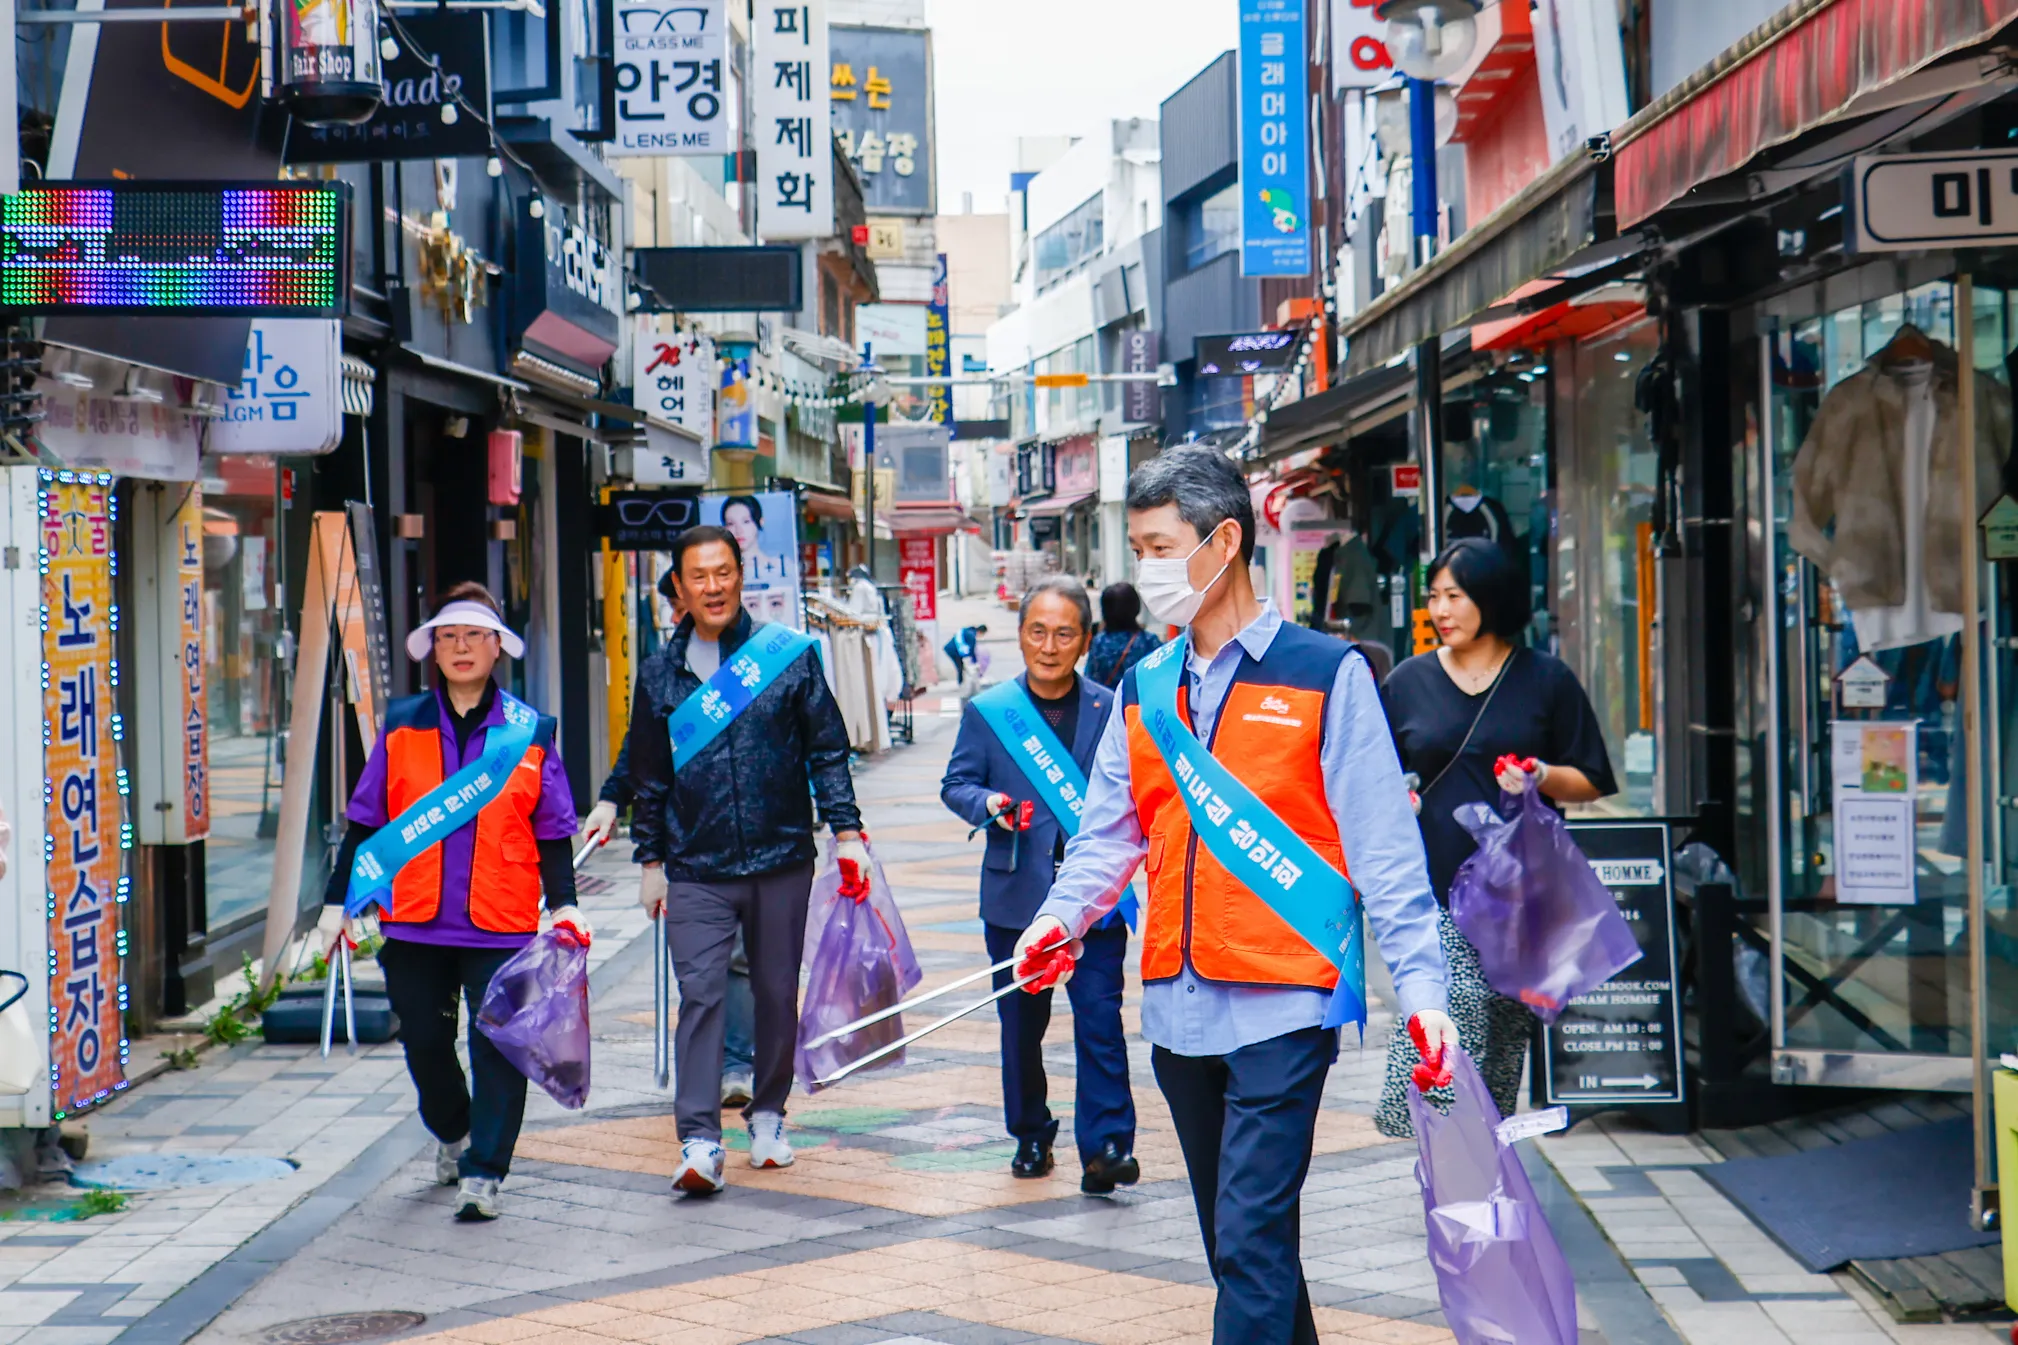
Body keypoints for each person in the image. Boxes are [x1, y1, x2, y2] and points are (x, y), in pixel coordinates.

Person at [1020, 447, 1455, 1342]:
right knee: (1243, 1246)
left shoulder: (1327, 674)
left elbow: (1386, 854)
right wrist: (1058, 918)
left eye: (1159, 547)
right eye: (1138, 549)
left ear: (1223, 542)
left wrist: (1423, 992)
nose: (1146, 570)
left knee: (1251, 1243)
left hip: (1284, 1006)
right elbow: (1109, 833)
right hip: (1178, 1013)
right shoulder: (1144, 687)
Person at [318, 583, 587, 1223]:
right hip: (415, 923)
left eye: (474, 636)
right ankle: (454, 1130)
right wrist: (336, 904)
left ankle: (484, 1171)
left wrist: (565, 905)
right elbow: (365, 821)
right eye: (448, 638)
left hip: (502, 922)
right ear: (433, 651)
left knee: (498, 1048)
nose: (461, 648)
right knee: (424, 1044)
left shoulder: (530, 731)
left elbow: (552, 830)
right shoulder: (402, 725)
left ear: (498, 648)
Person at [626, 524, 868, 1195]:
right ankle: (699, 1140)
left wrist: (847, 831)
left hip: (780, 856)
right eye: (698, 576)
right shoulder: (659, 672)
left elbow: (827, 749)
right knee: (701, 995)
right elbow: (649, 775)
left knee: (774, 994)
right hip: (695, 866)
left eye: (723, 572)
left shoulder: (786, 657)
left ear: (741, 575)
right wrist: (650, 861)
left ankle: (767, 1115)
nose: (713, 586)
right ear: (679, 587)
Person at [1374, 537, 1616, 1136]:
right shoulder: (1408, 682)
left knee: (1503, 1045)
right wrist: (1398, 797)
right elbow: (1374, 777)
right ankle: (1442, 1140)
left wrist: (1541, 774)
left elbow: (1591, 778)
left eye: (1455, 596)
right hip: (1432, 889)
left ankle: (1480, 1158)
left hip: (1519, 897)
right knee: (1455, 1012)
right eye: (1434, 596)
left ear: (1493, 596)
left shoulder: (1546, 679)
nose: (1440, 610)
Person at [939, 576, 1137, 1191]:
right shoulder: (991, 711)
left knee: (1100, 1022)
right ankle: (1030, 1133)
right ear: (1021, 635)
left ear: (1086, 640)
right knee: (1022, 1028)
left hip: (1095, 901)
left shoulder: (1111, 708)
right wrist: (988, 804)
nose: (1049, 647)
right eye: (1037, 632)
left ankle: (1106, 1145)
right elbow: (956, 784)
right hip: (1016, 898)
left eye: (1064, 634)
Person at [583, 566, 756, 1107]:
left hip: (753, 841)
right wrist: (611, 799)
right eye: (678, 607)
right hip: (687, 839)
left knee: (742, 960)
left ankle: (738, 1065)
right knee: (701, 964)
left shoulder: (759, 661)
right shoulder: (663, 670)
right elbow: (643, 750)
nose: (686, 615)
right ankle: (706, 1068)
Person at [1085, 582, 1162, 688]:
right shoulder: (1149, 641)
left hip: (1106, 698)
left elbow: (1090, 679)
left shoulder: (1099, 642)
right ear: (1136, 607)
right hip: (1141, 698)